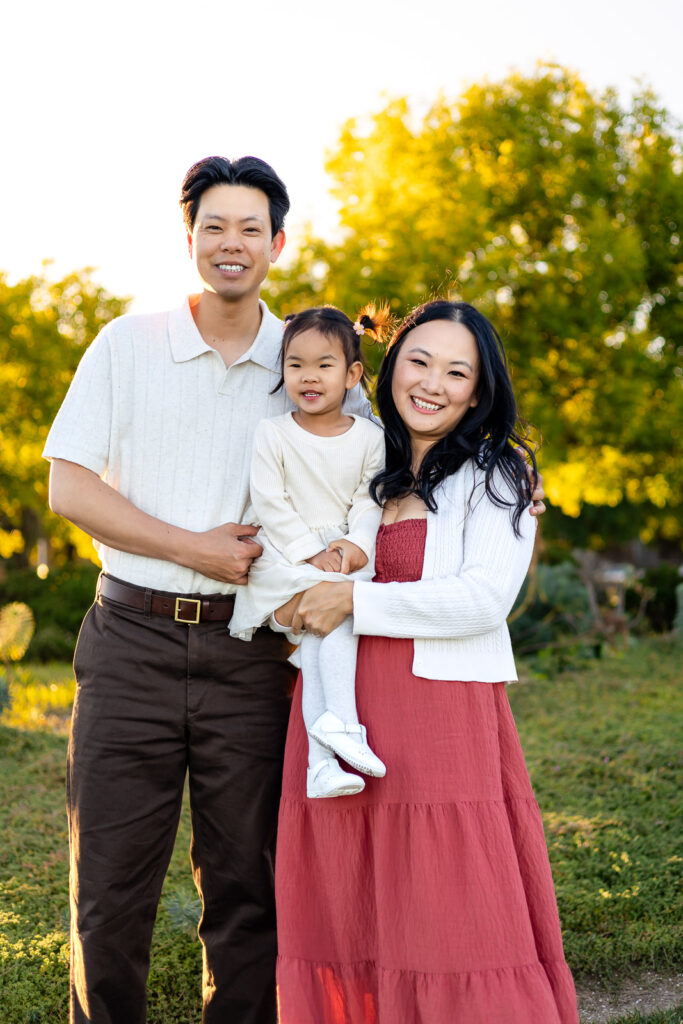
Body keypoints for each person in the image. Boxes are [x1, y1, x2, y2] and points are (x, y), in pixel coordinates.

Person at [42, 155, 374, 1024]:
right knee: (108, 894)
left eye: (250, 229)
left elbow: (382, 469)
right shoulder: (127, 343)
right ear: (188, 237)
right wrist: (194, 547)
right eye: (214, 228)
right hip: (130, 646)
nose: (232, 244)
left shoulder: (309, 357)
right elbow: (69, 489)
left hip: (254, 654)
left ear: (278, 242)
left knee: (249, 888)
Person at [275, 300, 579, 1023]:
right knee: (348, 899)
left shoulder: (496, 474)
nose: (432, 383)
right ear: (388, 367)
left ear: (477, 392)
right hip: (334, 708)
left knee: (447, 909)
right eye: (418, 360)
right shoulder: (354, 455)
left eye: (455, 371)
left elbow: (480, 600)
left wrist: (353, 604)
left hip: (439, 714)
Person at [230, 305, 391, 799]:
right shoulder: (273, 433)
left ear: (352, 374)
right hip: (286, 557)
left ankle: (320, 765)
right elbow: (270, 501)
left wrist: (353, 548)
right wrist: (308, 553)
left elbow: (370, 498)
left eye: (324, 364)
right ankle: (341, 724)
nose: (309, 376)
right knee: (333, 619)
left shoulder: (371, 436)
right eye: (295, 364)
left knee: (334, 622)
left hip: (343, 554)